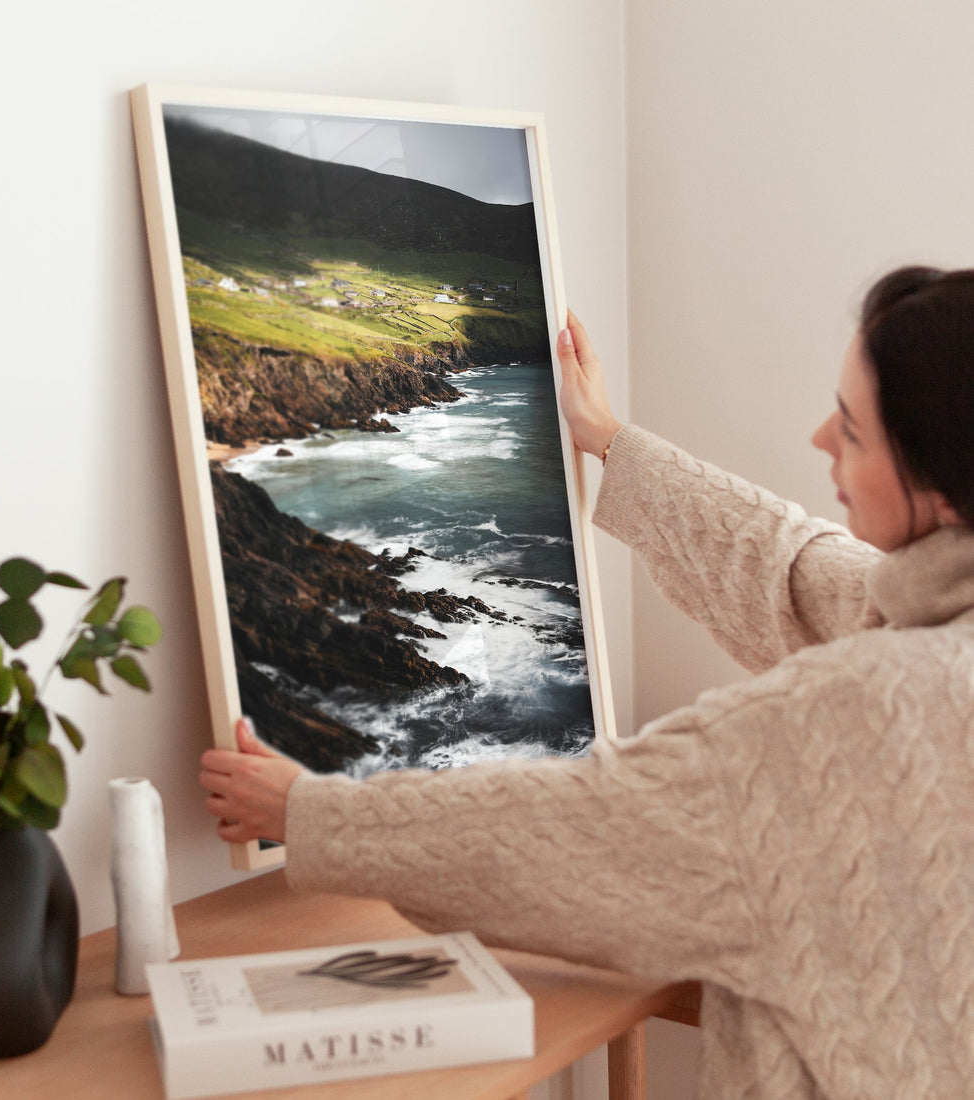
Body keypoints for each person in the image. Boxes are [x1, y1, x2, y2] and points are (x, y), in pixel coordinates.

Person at [199, 266, 974, 1099]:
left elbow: (582, 827)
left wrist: (308, 812)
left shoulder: (855, 713)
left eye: (853, 431)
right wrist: (608, 440)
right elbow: (792, 568)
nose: (821, 438)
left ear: (939, 486)